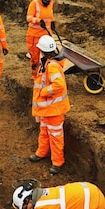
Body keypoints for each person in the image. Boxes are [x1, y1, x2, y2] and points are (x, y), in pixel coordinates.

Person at [30, 34, 70, 174]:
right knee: (44, 132)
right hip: (47, 110)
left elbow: (58, 85)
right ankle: (41, 153)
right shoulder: (47, 63)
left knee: (55, 136)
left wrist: (44, 92)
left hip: (54, 110)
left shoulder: (52, 66)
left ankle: (57, 162)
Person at [26, 0, 56, 75]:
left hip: (46, 35)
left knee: (47, 57)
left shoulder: (51, 3)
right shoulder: (34, 4)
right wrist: (38, 20)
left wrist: (52, 22)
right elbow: (29, 18)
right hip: (34, 36)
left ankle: (45, 75)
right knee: (35, 58)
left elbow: (49, 16)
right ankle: (35, 75)